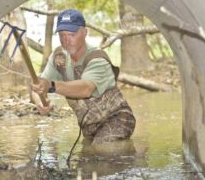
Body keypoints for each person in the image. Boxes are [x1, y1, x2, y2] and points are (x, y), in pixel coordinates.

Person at [31, 9, 136, 145]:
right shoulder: (58, 57)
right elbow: (38, 85)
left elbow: (85, 89)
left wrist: (51, 86)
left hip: (118, 120)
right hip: (89, 127)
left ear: (85, 33)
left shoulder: (97, 59)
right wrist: (39, 101)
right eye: (62, 35)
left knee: (102, 149)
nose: (66, 41)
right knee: (89, 159)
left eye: (72, 35)